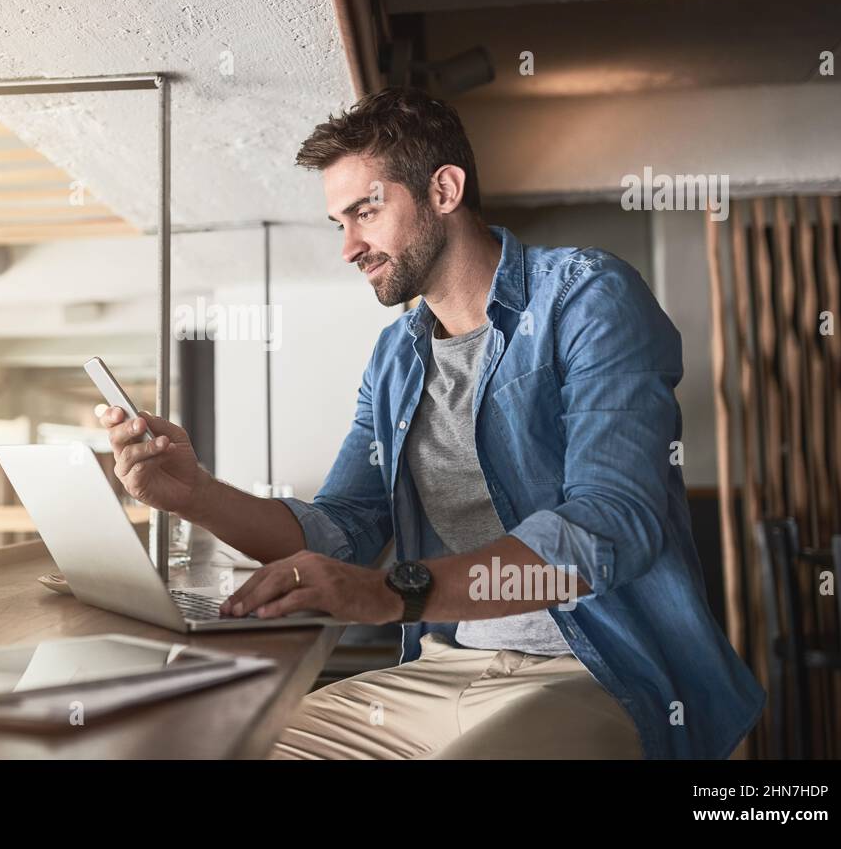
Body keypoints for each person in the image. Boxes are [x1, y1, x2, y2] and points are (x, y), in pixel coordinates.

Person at [103, 86, 765, 759]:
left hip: (595, 671)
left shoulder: (589, 296)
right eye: (340, 222)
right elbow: (344, 529)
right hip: (440, 665)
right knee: (225, 746)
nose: (349, 247)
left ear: (444, 189)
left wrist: (395, 591)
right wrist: (196, 494)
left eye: (366, 210)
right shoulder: (396, 356)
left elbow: (611, 521)